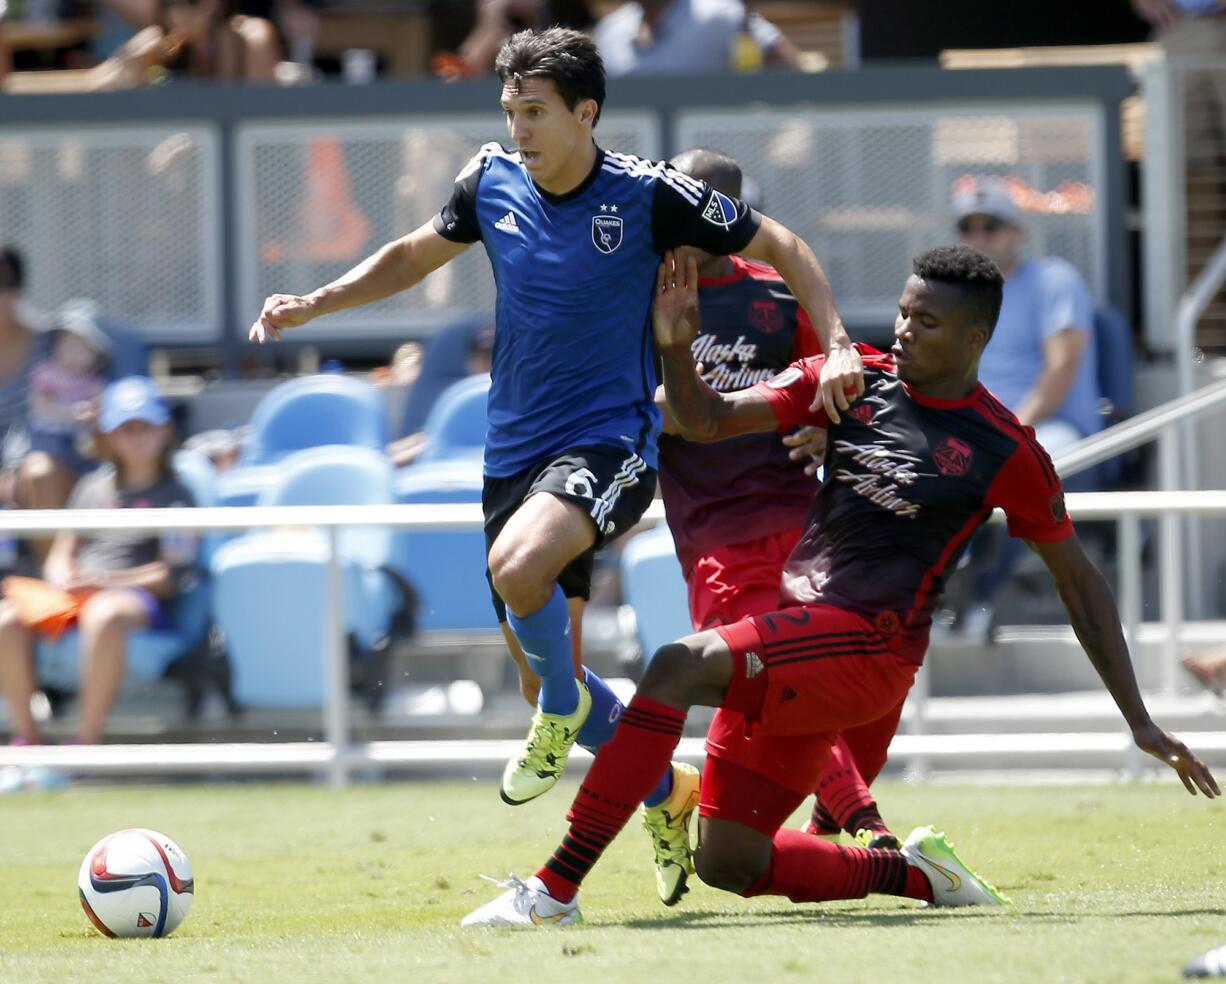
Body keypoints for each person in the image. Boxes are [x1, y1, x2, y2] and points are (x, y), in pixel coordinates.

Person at [460, 244, 1219, 927]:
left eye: (926, 321)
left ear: (976, 338)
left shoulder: (1005, 448)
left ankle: (551, 892)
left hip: (871, 649)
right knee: (728, 862)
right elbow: (707, 418)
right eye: (902, 311)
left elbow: (1080, 586)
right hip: (802, 633)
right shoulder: (854, 379)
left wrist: (1140, 720)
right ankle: (919, 875)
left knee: (674, 666)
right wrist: (678, 343)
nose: (904, 329)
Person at [249, 26, 862, 827]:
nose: (519, 130)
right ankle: (664, 791)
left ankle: (568, 717)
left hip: (609, 441)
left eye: (535, 112)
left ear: (586, 112)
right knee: (544, 675)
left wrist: (841, 341)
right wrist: (315, 303)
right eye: (511, 110)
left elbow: (783, 242)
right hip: (513, 455)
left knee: (517, 568)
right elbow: (408, 255)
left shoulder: (650, 193)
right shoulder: (490, 181)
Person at [647, 147, 900, 909]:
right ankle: (868, 832)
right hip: (712, 535)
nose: (690, 230)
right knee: (787, 682)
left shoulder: (779, 298)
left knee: (853, 687)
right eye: (679, 212)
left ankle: (827, 832)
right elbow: (627, 408)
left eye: (709, 215)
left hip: (799, 522)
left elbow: (842, 392)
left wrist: (829, 433)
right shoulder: (644, 298)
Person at [0, 376, 197, 748]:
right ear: (108, 436)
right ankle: (27, 740)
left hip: (132, 600)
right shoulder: (91, 488)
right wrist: (63, 580)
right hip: (80, 596)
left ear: (164, 430)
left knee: (103, 613)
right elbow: (63, 548)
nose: (137, 438)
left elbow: (172, 575)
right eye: (126, 429)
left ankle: (85, 745)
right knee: (7, 618)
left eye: (146, 428)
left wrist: (103, 582)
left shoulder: (178, 494)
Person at [952, 176, 1103, 639]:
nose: (979, 238)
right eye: (969, 229)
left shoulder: (1055, 278)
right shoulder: (956, 291)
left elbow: (1060, 371)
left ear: (1018, 230)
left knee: (1019, 472)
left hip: (1048, 428)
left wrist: (1008, 431)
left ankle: (981, 600)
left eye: (991, 226)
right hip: (978, 432)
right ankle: (936, 602)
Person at [25, 307, 111, 499]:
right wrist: (68, 412)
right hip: (48, 439)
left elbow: (100, 407)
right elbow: (39, 404)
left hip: (81, 445)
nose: (74, 354)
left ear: (95, 355)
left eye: (82, 348)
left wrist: (91, 413)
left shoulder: (95, 382)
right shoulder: (45, 373)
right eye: (68, 345)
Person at [592, 0, 804, 77]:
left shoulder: (721, 16)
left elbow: (789, 65)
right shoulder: (609, 32)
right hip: (635, 172)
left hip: (721, 168)